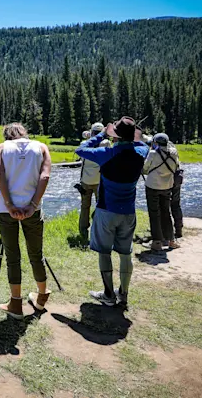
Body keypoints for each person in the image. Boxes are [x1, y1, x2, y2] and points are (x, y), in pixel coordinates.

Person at [75, 117, 149, 307]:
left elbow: (81, 149)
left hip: (106, 210)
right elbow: (143, 141)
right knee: (126, 254)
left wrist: (101, 134)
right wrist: (132, 133)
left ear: (114, 134)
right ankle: (123, 293)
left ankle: (108, 294)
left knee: (104, 252)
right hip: (129, 212)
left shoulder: (106, 153)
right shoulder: (141, 152)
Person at [0, 123, 52, 319]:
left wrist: (10, 204)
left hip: (6, 210)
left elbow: (0, 175)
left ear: (7, 135)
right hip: (32, 209)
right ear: (24, 133)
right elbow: (45, 176)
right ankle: (42, 296)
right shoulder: (41, 147)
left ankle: (16, 303)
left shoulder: (3, 148)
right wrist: (33, 204)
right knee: (36, 252)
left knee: (13, 256)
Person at [142, 133, 180, 251]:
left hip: (152, 186)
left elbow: (145, 168)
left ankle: (157, 242)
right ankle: (171, 240)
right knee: (166, 213)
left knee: (154, 214)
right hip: (167, 186)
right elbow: (175, 168)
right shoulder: (173, 153)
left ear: (156, 143)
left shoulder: (153, 153)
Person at [77, 122, 110, 238]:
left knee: (84, 206)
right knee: (100, 205)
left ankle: (83, 229)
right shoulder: (105, 144)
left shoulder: (84, 144)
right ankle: (99, 228)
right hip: (100, 181)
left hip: (85, 180)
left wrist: (89, 137)